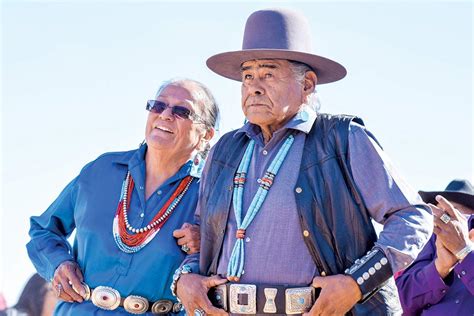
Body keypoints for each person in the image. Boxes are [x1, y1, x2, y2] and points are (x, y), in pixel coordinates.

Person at [173, 8, 433, 316]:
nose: (254, 86)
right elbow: (205, 235)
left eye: (268, 74)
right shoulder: (224, 150)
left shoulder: (342, 138)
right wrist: (185, 278)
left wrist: (355, 283)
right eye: (247, 76)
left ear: (307, 84)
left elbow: (413, 217)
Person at [26, 78, 218, 315]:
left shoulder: (212, 194)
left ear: (206, 135)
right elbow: (43, 230)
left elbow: (237, 257)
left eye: (181, 111)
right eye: (158, 106)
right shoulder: (101, 170)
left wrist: (209, 243)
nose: (165, 115)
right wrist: (58, 264)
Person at [396, 179, 474, 315]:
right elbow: (400, 300)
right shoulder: (426, 241)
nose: (444, 220)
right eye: (439, 213)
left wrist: (464, 251)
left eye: (450, 213)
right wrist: (439, 268)